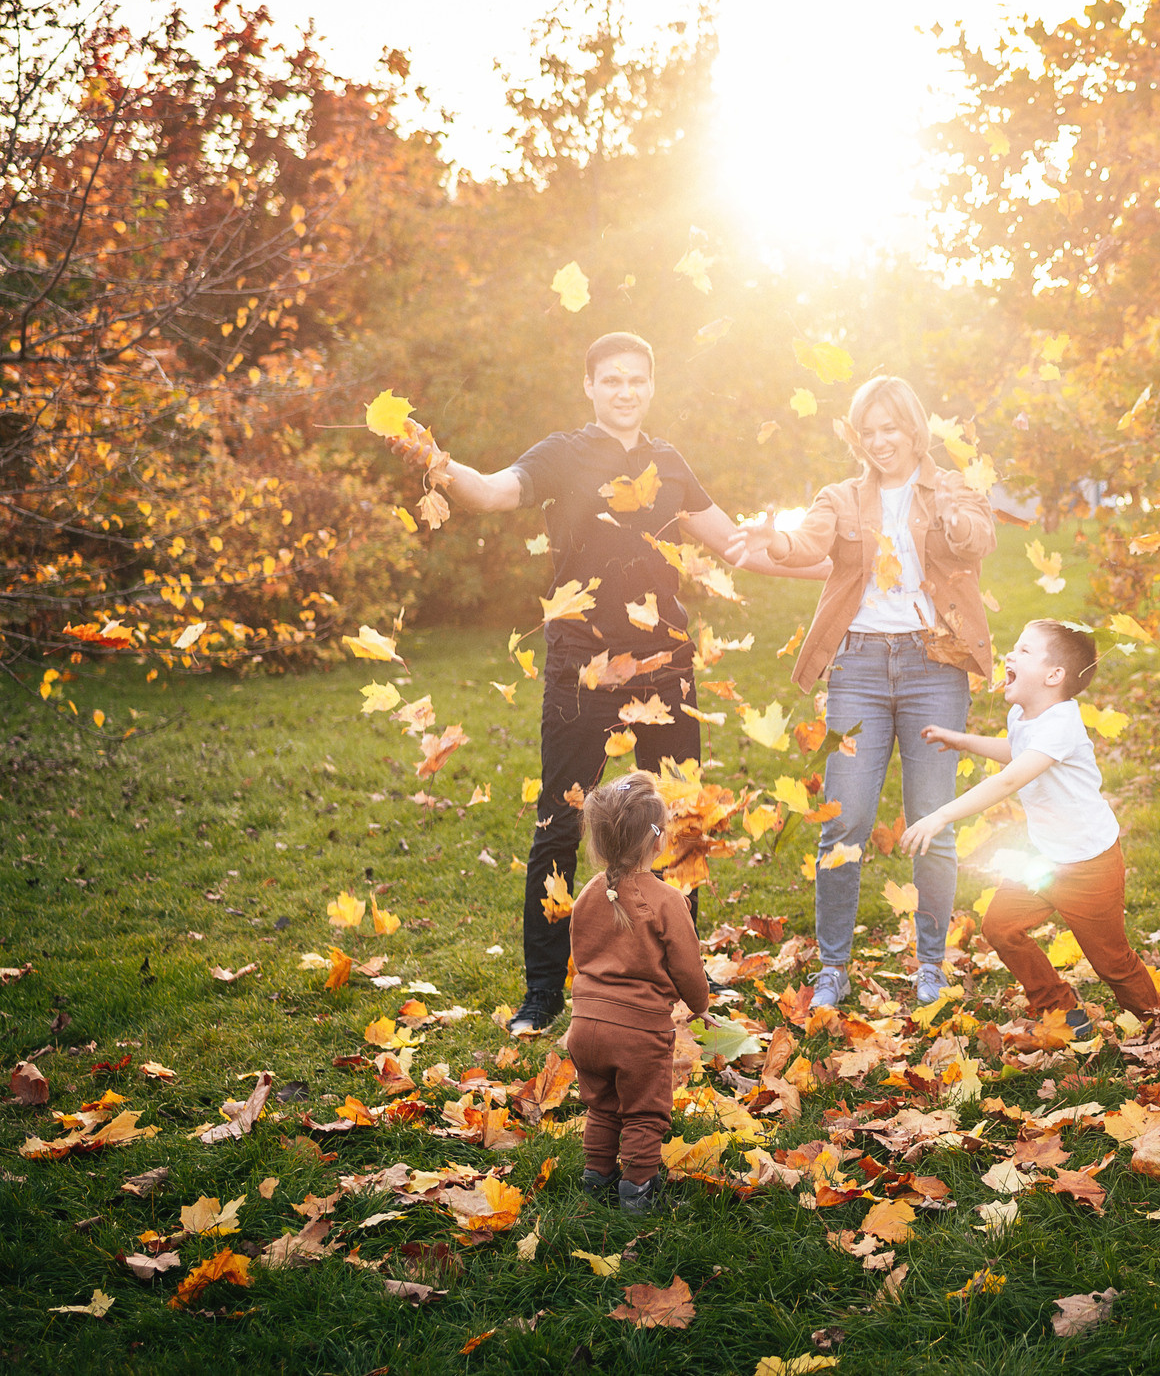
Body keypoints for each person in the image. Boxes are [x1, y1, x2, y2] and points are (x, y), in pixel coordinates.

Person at [399, 330, 813, 1034]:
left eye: (636, 380)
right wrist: (438, 463)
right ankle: (542, 989)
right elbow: (495, 492)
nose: (625, 390)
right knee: (560, 822)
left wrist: (827, 567)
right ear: (590, 386)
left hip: (664, 660)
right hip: (580, 664)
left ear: (652, 386)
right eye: (611, 380)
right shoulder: (562, 453)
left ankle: (683, 971)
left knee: (679, 817)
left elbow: (735, 544)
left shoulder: (669, 462)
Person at [730, 375, 995, 1009]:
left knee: (934, 822)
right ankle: (834, 967)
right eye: (868, 432)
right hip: (858, 670)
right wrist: (775, 541)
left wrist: (956, 517)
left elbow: (976, 543)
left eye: (890, 429)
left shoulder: (953, 487)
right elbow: (806, 544)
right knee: (842, 823)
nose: (879, 442)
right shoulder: (842, 497)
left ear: (914, 429)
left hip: (934, 665)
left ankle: (930, 963)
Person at [900, 619, 1160, 1041]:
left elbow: (1009, 780)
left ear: (1054, 675)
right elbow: (1017, 753)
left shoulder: (1061, 724)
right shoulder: (1023, 715)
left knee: (1112, 962)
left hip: (1089, 866)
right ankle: (1060, 1009)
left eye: (1024, 651)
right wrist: (963, 740)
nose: (1010, 655)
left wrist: (940, 816)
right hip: (1046, 859)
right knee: (1001, 927)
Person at [563, 772, 707, 1215]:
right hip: (638, 1034)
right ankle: (639, 1192)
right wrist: (700, 1006)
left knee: (602, 1106)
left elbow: (580, 953)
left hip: (584, 1028)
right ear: (658, 840)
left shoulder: (588, 894)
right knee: (644, 1113)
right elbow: (688, 967)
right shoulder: (666, 900)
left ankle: (597, 1177)